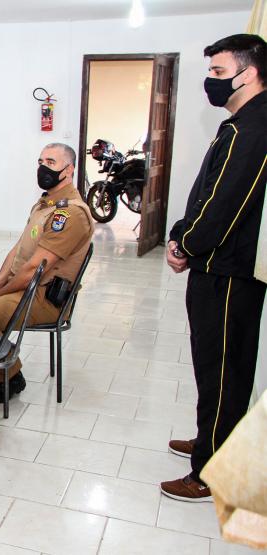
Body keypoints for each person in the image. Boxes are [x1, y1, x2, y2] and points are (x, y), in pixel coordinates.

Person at [162, 33, 267, 503]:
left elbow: (226, 203)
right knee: (216, 365)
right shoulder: (240, 121)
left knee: (223, 368)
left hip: (227, 270)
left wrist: (185, 242)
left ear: (252, 73)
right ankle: (212, 441)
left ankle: (210, 470)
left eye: (220, 73)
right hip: (218, 263)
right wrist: (183, 232)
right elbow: (207, 191)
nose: (212, 81)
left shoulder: (253, 128)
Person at [0, 144, 92, 403]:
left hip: (45, 298)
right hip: (23, 285)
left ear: (69, 170)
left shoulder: (70, 214)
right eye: (40, 161)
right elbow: (17, 251)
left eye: (51, 162)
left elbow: (36, 270)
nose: (43, 167)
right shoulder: (44, 204)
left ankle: (9, 376)